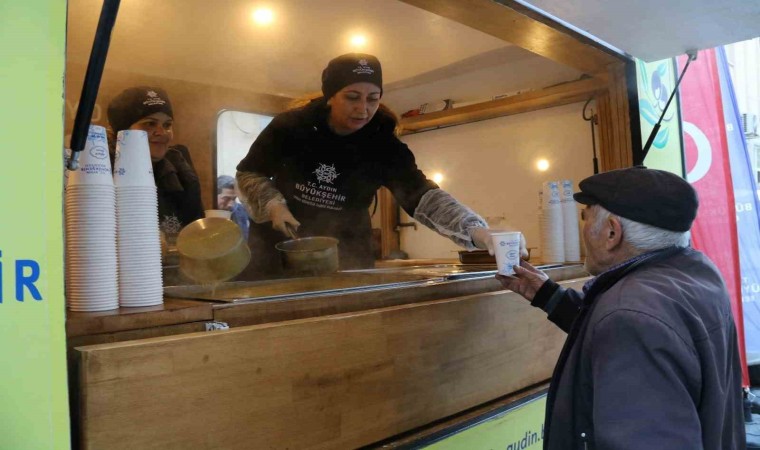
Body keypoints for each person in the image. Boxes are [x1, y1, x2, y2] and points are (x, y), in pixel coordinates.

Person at [497, 166, 745, 449]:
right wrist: (549, 296)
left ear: (612, 232)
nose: (583, 229)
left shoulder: (629, 317)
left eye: (585, 217)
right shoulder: (696, 273)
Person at [236, 53, 508, 276]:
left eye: (373, 99)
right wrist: (273, 206)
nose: (363, 108)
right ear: (331, 95)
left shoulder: (382, 145)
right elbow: (249, 172)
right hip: (277, 252)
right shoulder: (292, 127)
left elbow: (424, 197)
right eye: (352, 97)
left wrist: (477, 231)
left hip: (347, 255)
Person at [107, 86, 204, 240]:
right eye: (150, 124)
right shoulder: (101, 172)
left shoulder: (182, 174)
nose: (162, 132)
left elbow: (196, 235)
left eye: (167, 125)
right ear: (122, 131)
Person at [217, 174, 250, 239]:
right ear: (214, 195)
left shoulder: (243, 211)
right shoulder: (204, 214)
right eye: (226, 199)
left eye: (234, 199)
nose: (231, 205)